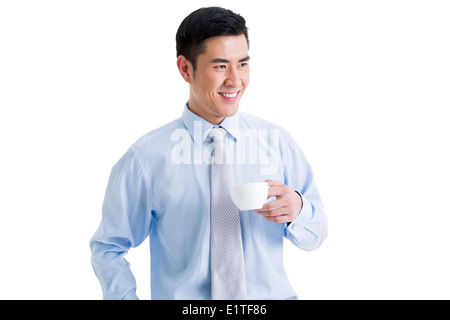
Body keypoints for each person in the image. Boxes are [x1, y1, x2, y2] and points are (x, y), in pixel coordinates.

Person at [90, 6, 327, 300]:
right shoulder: (146, 159)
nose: (235, 80)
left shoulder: (278, 144)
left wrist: (298, 209)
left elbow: (316, 234)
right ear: (185, 69)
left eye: (242, 64)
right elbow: (109, 246)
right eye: (220, 66)